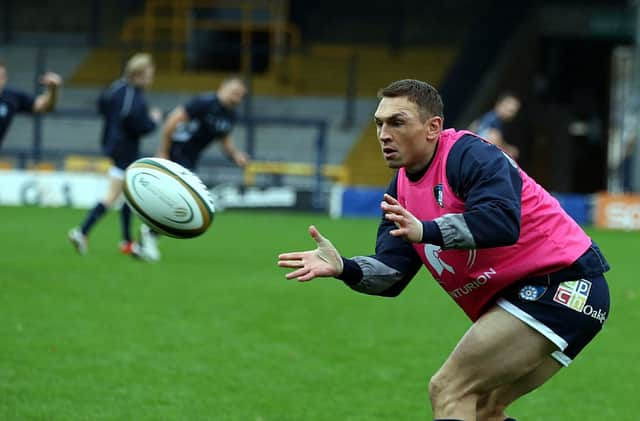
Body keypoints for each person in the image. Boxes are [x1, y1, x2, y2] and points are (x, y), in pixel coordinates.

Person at [277, 79, 610, 421]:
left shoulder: (469, 154)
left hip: (563, 284)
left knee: (449, 388)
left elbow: (500, 221)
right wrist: (344, 268)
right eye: (379, 123)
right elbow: (392, 275)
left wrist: (425, 230)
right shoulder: (401, 190)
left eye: (397, 122)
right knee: (483, 409)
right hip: (546, 294)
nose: (383, 134)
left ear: (433, 127)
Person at [138, 76, 249, 261]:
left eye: (240, 96)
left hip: (191, 158)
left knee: (177, 203)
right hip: (177, 153)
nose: (236, 98)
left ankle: (146, 236)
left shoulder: (230, 114)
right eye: (234, 93)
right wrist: (163, 152)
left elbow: (225, 139)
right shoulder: (204, 102)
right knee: (182, 201)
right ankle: (148, 234)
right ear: (223, 87)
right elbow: (172, 121)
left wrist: (236, 155)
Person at [68, 53, 162, 258]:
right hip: (125, 149)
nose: (151, 80)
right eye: (149, 75)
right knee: (112, 195)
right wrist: (154, 120)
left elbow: (101, 105)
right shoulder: (134, 96)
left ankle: (126, 242)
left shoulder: (115, 87)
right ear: (138, 75)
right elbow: (138, 124)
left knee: (128, 195)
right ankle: (82, 232)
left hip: (112, 144)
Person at [0, 60, 62, 150]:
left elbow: (46, 106)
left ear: (5, 79)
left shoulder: (11, 97)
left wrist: (53, 89)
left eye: (1, 77)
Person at [471, 92, 521, 160]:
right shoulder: (492, 118)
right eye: (506, 107)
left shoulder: (500, 122)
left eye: (512, 111)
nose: (508, 112)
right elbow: (492, 137)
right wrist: (508, 149)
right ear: (498, 104)